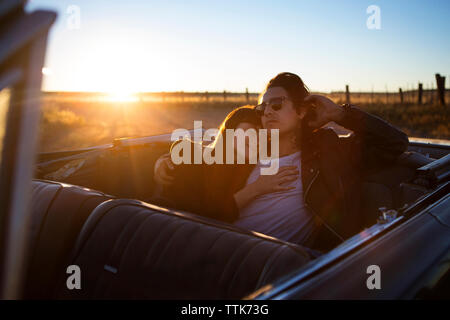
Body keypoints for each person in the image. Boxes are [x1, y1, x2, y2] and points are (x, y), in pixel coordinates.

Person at [155, 72, 409, 251]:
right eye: (263, 107)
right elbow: (206, 155)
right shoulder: (250, 149)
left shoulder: (329, 152)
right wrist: (170, 160)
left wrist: (339, 113)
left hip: (278, 268)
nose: (267, 112)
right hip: (219, 248)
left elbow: (394, 143)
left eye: (276, 104)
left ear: (301, 111)